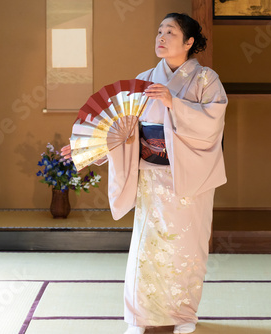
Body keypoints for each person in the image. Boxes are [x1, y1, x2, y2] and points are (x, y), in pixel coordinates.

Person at [63, 12, 227, 334]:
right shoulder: (145, 77)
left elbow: (212, 124)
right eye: (159, 31)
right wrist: (88, 149)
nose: (161, 38)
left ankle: (184, 315)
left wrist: (174, 104)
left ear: (189, 42)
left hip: (190, 179)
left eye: (170, 32)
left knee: (187, 248)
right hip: (151, 175)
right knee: (145, 249)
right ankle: (139, 318)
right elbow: (123, 130)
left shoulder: (206, 79)